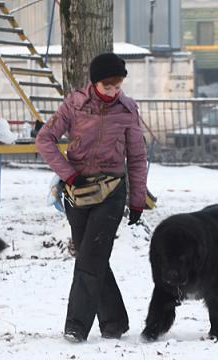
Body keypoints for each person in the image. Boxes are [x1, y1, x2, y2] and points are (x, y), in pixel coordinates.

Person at [36, 52, 147, 343]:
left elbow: (136, 157)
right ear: (94, 83)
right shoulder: (74, 104)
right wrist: (69, 174)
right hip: (77, 190)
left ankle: (76, 325)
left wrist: (137, 200)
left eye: (117, 86)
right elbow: (44, 139)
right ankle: (114, 322)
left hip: (111, 191)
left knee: (92, 255)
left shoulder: (127, 110)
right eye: (107, 87)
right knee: (90, 256)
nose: (113, 92)